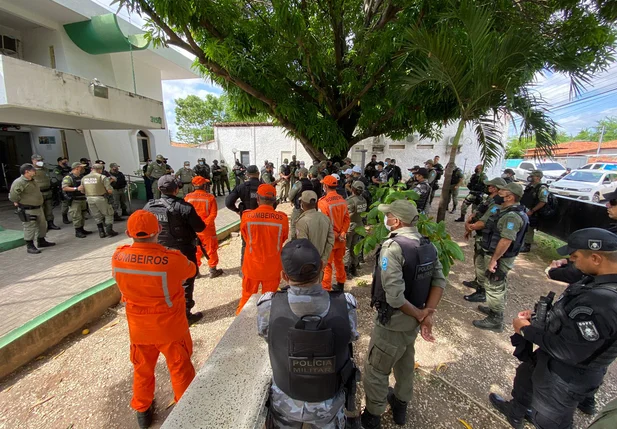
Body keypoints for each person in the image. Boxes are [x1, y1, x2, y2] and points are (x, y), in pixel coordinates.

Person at [490, 228, 617, 429]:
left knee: (552, 421)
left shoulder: (601, 303)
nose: (573, 262)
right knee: (526, 378)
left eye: (575, 257)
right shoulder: (598, 277)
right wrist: (540, 318)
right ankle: (516, 411)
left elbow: (570, 350)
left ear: (595, 257)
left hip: (565, 376)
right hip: (549, 358)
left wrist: (525, 330)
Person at [257, 239, 359, 429]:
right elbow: (351, 336)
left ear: (284, 276)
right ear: (322, 267)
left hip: (285, 401)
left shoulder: (268, 305)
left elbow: (266, 335)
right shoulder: (346, 304)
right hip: (329, 404)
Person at [361, 199, 445, 429]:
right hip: (412, 322)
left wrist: (421, 315)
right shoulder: (428, 245)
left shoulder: (393, 247)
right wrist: (427, 313)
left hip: (394, 322)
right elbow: (439, 281)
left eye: (388, 216)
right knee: (405, 363)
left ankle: (373, 415)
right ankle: (400, 404)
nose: (386, 220)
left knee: (376, 369)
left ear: (396, 221)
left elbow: (395, 297)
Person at [111, 210, 197, 429]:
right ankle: (187, 410)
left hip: (139, 329)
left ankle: (142, 410)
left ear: (128, 232)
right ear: (158, 230)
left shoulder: (118, 256)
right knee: (179, 369)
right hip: (171, 328)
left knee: (142, 369)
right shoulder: (171, 259)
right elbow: (191, 271)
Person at [144, 175, 206, 325]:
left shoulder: (149, 207)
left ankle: (164, 311)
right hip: (182, 250)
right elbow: (200, 227)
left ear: (159, 189)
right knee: (186, 280)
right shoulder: (184, 207)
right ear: (177, 189)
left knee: (163, 281)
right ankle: (185, 314)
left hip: (158, 249)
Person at [472, 182, 529, 332]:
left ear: (510, 197)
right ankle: (493, 310)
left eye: (502, 192)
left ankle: (496, 319)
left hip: (500, 258)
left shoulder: (512, 216)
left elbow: (506, 240)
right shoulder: (507, 211)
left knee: (494, 285)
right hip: (496, 254)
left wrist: (494, 260)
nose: (499, 194)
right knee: (493, 285)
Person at [237, 184, 289, 314]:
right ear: (274, 201)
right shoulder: (282, 219)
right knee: (269, 299)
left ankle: (241, 322)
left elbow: (245, 238)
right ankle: (266, 323)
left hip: (252, 265)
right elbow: (283, 238)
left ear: (258, 199)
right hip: (272, 266)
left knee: (247, 296)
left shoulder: (246, 216)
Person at [461, 177, 507, 302]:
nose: (489, 188)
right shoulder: (490, 199)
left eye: (491, 186)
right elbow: (478, 211)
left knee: (483, 264)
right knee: (478, 261)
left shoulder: (498, 203)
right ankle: (478, 282)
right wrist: (470, 220)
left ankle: (482, 291)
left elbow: (484, 222)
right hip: (481, 235)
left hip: (487, 237)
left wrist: (471, 227)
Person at [9, 163, 56, 254]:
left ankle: (41, 240)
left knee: (42, 225)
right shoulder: (19, 182)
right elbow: (13, 196)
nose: (35, 171)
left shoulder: (32, 180)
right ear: (27, 172)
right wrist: (19, 202)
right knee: (29, 227)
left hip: (38, 207)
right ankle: (30, 245)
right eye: (33, 170)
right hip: (28, 209)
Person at [184, 176, 224, 279]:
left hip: (192, 229)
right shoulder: (210, 197)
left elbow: (184, 213)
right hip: (207, 229)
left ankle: (196, 272)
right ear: (204, 185)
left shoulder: (187, 197)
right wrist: (204, 224)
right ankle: (212, 270)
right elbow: (213, 214)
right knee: (211, 249)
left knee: (195, 250)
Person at [319, 175, 350, 291]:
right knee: (339, 262)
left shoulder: (323, 203)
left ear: (326, 186)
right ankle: (341, 284)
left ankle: (326, 288)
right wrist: (342, 233)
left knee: (327, 265)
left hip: (330, 240)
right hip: (341, 239)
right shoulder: (342, 200)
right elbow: (347, 219)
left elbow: (324, 223)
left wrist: (336, 235)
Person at [226, 165, 262, 265]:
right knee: (261, 243)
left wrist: (237, 210)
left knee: (246, 243)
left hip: (247, 219)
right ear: (258, 174)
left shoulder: (241, 187)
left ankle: (244, 267)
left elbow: (228, 202)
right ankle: (259, 266)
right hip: (262, 219)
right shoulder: (264, 187)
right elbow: (274, 203)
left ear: (247, 175)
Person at [296, 191, 335, 265]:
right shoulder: (325, 218)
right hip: (321, 261)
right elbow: (331, 240)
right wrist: (324, 259)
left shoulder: (302, 222)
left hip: (308, 263)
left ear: (302, 203)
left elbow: (303, 246)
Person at [82, 163, 119, 238]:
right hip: (101, 198)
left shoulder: (84, 178)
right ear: (100, 170)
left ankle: (101, 232)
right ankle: (109, 231)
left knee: (97, 215)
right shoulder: (102, 177)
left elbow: (82, 190)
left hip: (89, 198)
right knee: (108, 213)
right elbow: (109, 190)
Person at [520, 170, 548, 253]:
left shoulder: (542, 188)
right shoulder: (531, 186)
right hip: (525, 208)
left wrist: (532, 211)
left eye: (533, 176)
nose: (530, 177)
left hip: (533, 212)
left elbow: (543, 201)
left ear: (538, 178)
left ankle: (527, 245)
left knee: (529, 228)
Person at [62, 162, 92, 238]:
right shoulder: (68, 178)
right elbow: (64, 187)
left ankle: (82, 229)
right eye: (81, 167)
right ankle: (78, 231)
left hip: (82, 198)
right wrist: (76, 189)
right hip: (74, 200)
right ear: (77, 168)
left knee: (83, 214)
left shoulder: (81, 176)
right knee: (76, 216)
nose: (83, 169)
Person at [31, 154, 60, 231]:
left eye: (41, 160)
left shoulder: (45, 169)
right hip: (38, 193)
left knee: (49, 209)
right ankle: (42, 227)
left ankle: (51, 223)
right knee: (41, 210)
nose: (40, 162)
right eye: (38, 160)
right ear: (33, 161)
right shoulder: (30, 170)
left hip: (48, 191)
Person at [345, 181, 368, 278]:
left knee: (346, 248)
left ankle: (345, 269)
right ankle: (354, 267)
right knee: (355, 247)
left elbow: (346, 213)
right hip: (359, 225)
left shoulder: (350, 200)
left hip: (350, 225)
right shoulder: (363, 200)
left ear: (353, 189)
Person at [288, 167, 312, 240]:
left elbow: (290, 195)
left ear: (300, 174)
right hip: (309, 208)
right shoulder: (311, 183)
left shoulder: (298, 184)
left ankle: (293, 241)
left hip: (299, 208)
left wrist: (291, 200)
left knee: (293, 225)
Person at [52, 157, 71, 224]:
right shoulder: (57, 169)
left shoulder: (68, 168)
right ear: (60, 161)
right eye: (64, 161)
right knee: (65, 203)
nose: (66, 162)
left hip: (71, 186)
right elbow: (59, 178)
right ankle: (64, 216)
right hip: (62, 187)